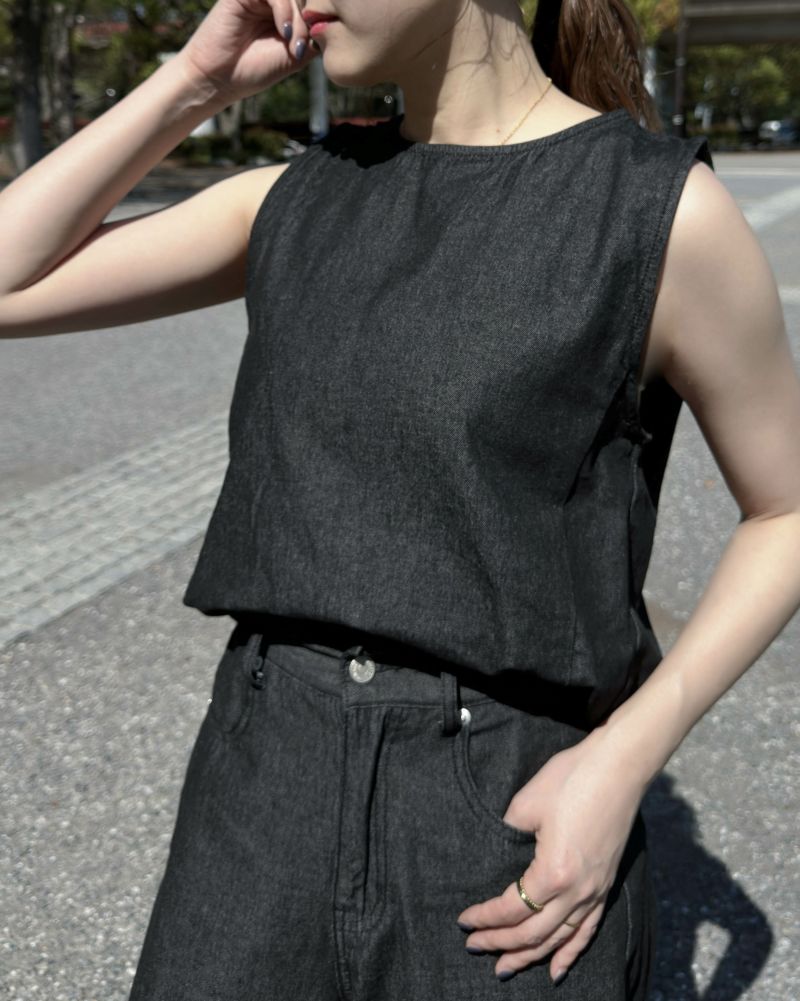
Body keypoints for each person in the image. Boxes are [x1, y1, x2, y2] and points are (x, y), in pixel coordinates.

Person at [1, 0, 798, 998]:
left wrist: (623, 759)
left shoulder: (653, 212)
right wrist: (194, 83)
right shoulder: (298, 193)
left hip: (503, 813)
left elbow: (785, 511)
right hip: (260, 784)